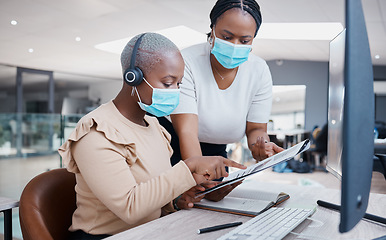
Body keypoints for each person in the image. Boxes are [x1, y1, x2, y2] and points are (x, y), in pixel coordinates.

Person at [58, 32, 246, 240]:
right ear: (133, 77)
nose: (175, 91)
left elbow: (151, 192)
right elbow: (130, 208)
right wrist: (189, 167)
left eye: (179, 84)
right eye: (167, 83)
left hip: (148, 233)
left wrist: (174, 202)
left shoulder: (155, 126)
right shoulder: (95, 132)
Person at [157, 0, 284, 203]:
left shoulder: (259, 70)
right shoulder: (187, 61)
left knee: (214, 199)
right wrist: (199, 183)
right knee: (177, 202)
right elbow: (187, 132)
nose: (235, 46)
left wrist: (261, 146)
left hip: (215, 150)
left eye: (244, 41)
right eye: (227, 37)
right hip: (174, 144)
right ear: (212, 30)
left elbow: (256, 129)